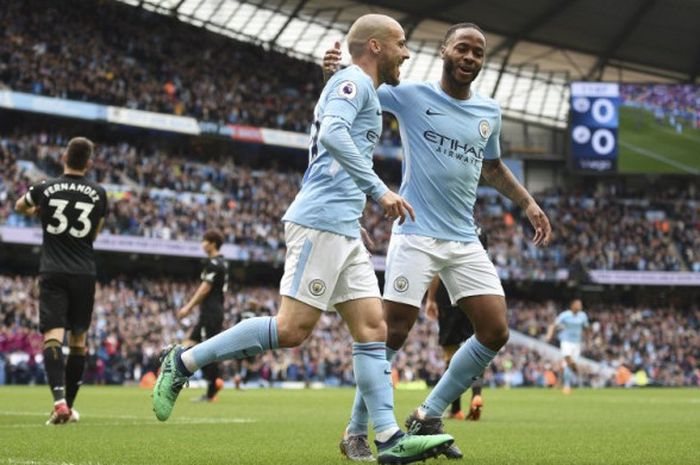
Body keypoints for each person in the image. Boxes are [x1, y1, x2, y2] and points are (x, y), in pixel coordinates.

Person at [151, 14, 453, 464]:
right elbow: (332, 134)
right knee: (292, 329)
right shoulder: (353, 82)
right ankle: (184, 361)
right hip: (321, 222)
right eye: (401, 43)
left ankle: (389, 439)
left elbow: (334, 130)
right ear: (375, 46)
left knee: (374, 329)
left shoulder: (354, 83)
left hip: (343, 225)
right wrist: (379, 191)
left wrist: (356, 212)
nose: (406, 53)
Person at [323, 22, 552, 461]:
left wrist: (528, 203)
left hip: (464, 238)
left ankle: (429, 413)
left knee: (495, 330)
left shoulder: (489, 111)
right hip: (415, 232)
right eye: (462, 49)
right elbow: (363, 86)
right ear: (445, 50)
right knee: (391, 334)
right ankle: (355, 430)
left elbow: (493, 166)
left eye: (478, 53)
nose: (470, 58)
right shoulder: (411, 96)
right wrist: (337, 72)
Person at [14, 137, 108, 425]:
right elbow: (94, 233)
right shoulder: (99, 193)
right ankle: (70, 405)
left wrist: (38, 211)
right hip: (84, 271)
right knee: (78, 340)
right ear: (89, 163)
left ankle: (58, 402)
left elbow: (20, 206)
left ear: (64, 157)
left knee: (53, 336)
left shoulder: (45, 187)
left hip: (53, 270)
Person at [425, 227, 489, 423]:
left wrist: (430, 299)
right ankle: (476, 394)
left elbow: (436, 268)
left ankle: (456, 409)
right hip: (474, 289)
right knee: (477, 347)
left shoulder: (445, 226)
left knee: (450, 353)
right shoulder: (480, 231)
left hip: (448, 292)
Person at [176, 229, 229, 402]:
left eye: (205, 241)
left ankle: (213, 386)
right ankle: (175, 378)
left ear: (213, 243)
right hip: (211, 312)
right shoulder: (223, 262)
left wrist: (188, 307)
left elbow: (205, 288)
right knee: (188, 343)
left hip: (211, 312)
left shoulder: (214, 263)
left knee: (208, 351)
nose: (202, 244)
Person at [546, 298, 589, 394]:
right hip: (566, 342)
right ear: (572, 306)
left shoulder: (583, 316)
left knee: (569, 365)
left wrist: (588, 340)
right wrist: (549, 335)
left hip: (577, 343)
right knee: (569, 360)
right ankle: (567, 385)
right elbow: (554, 325)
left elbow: (586, 328)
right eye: (578, 304)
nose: (580, 306)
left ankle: (566, 381)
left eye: (581, 305)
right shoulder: (565, 315)